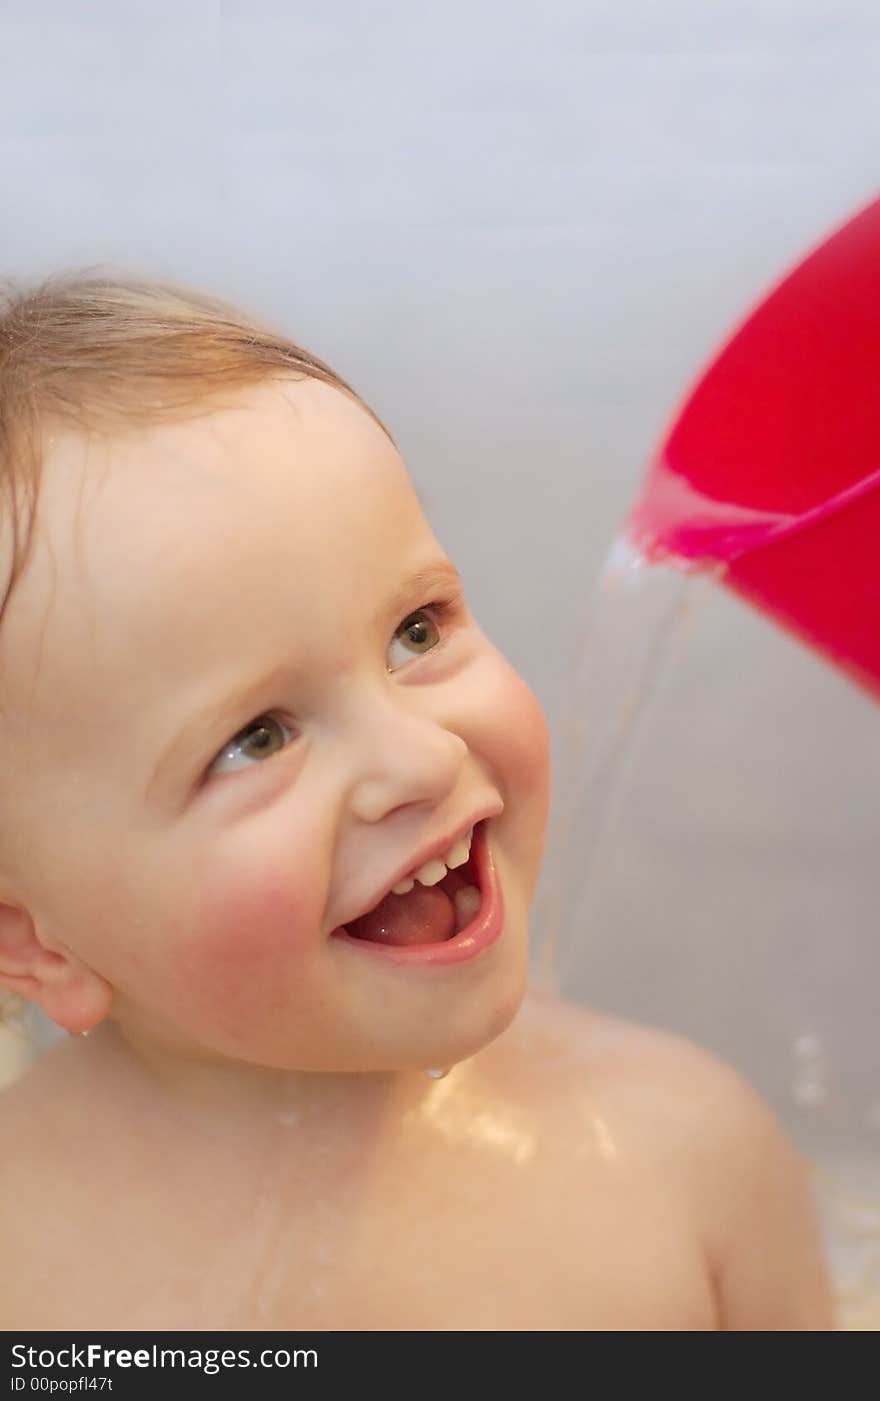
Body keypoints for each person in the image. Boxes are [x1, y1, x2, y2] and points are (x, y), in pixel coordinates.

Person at [0, 271, 834, 1330]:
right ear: (35, 944)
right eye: (256, 738)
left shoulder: (682, 1155)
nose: (423, 758)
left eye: (417, 631)